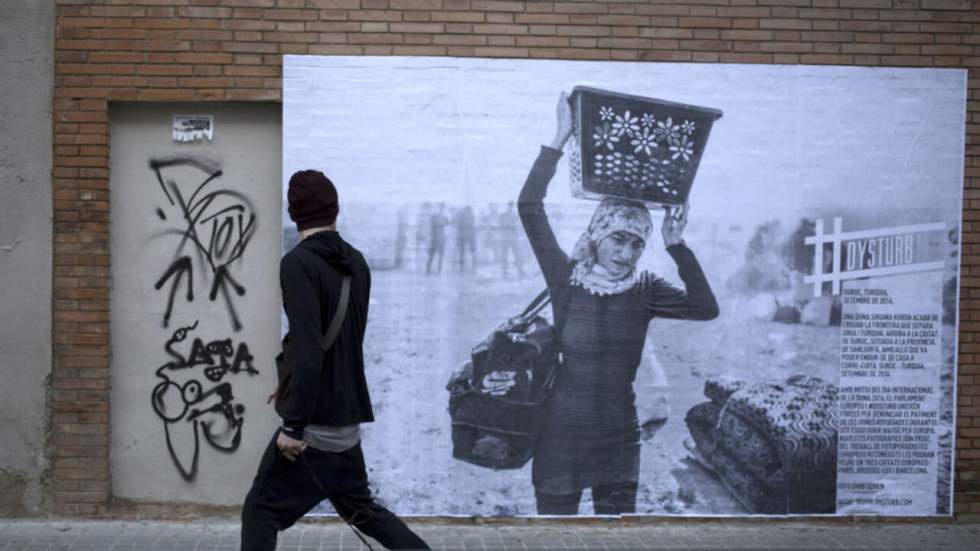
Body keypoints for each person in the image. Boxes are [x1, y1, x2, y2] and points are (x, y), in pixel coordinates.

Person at [515, 92, 719, 515]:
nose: (625, 254)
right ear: (597, 234)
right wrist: (560, 136)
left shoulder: (646, 288)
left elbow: (705, 307)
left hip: (619, 436)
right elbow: (529, 207)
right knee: (556, 539)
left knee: (616, 536)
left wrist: (677, 247)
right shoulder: (566, 277)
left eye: (636, 244)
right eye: (617, 240)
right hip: (561, 433)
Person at [241, 170, 429, 550]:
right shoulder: (356, 262)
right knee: (363, 511)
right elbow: (337, 341)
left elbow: (311, 347)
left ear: (294, 214)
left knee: (260, 512)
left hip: (314, 427)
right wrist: (289, 378)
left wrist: (293, 428)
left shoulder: (297, 263)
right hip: (347, 418)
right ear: (336, 210)